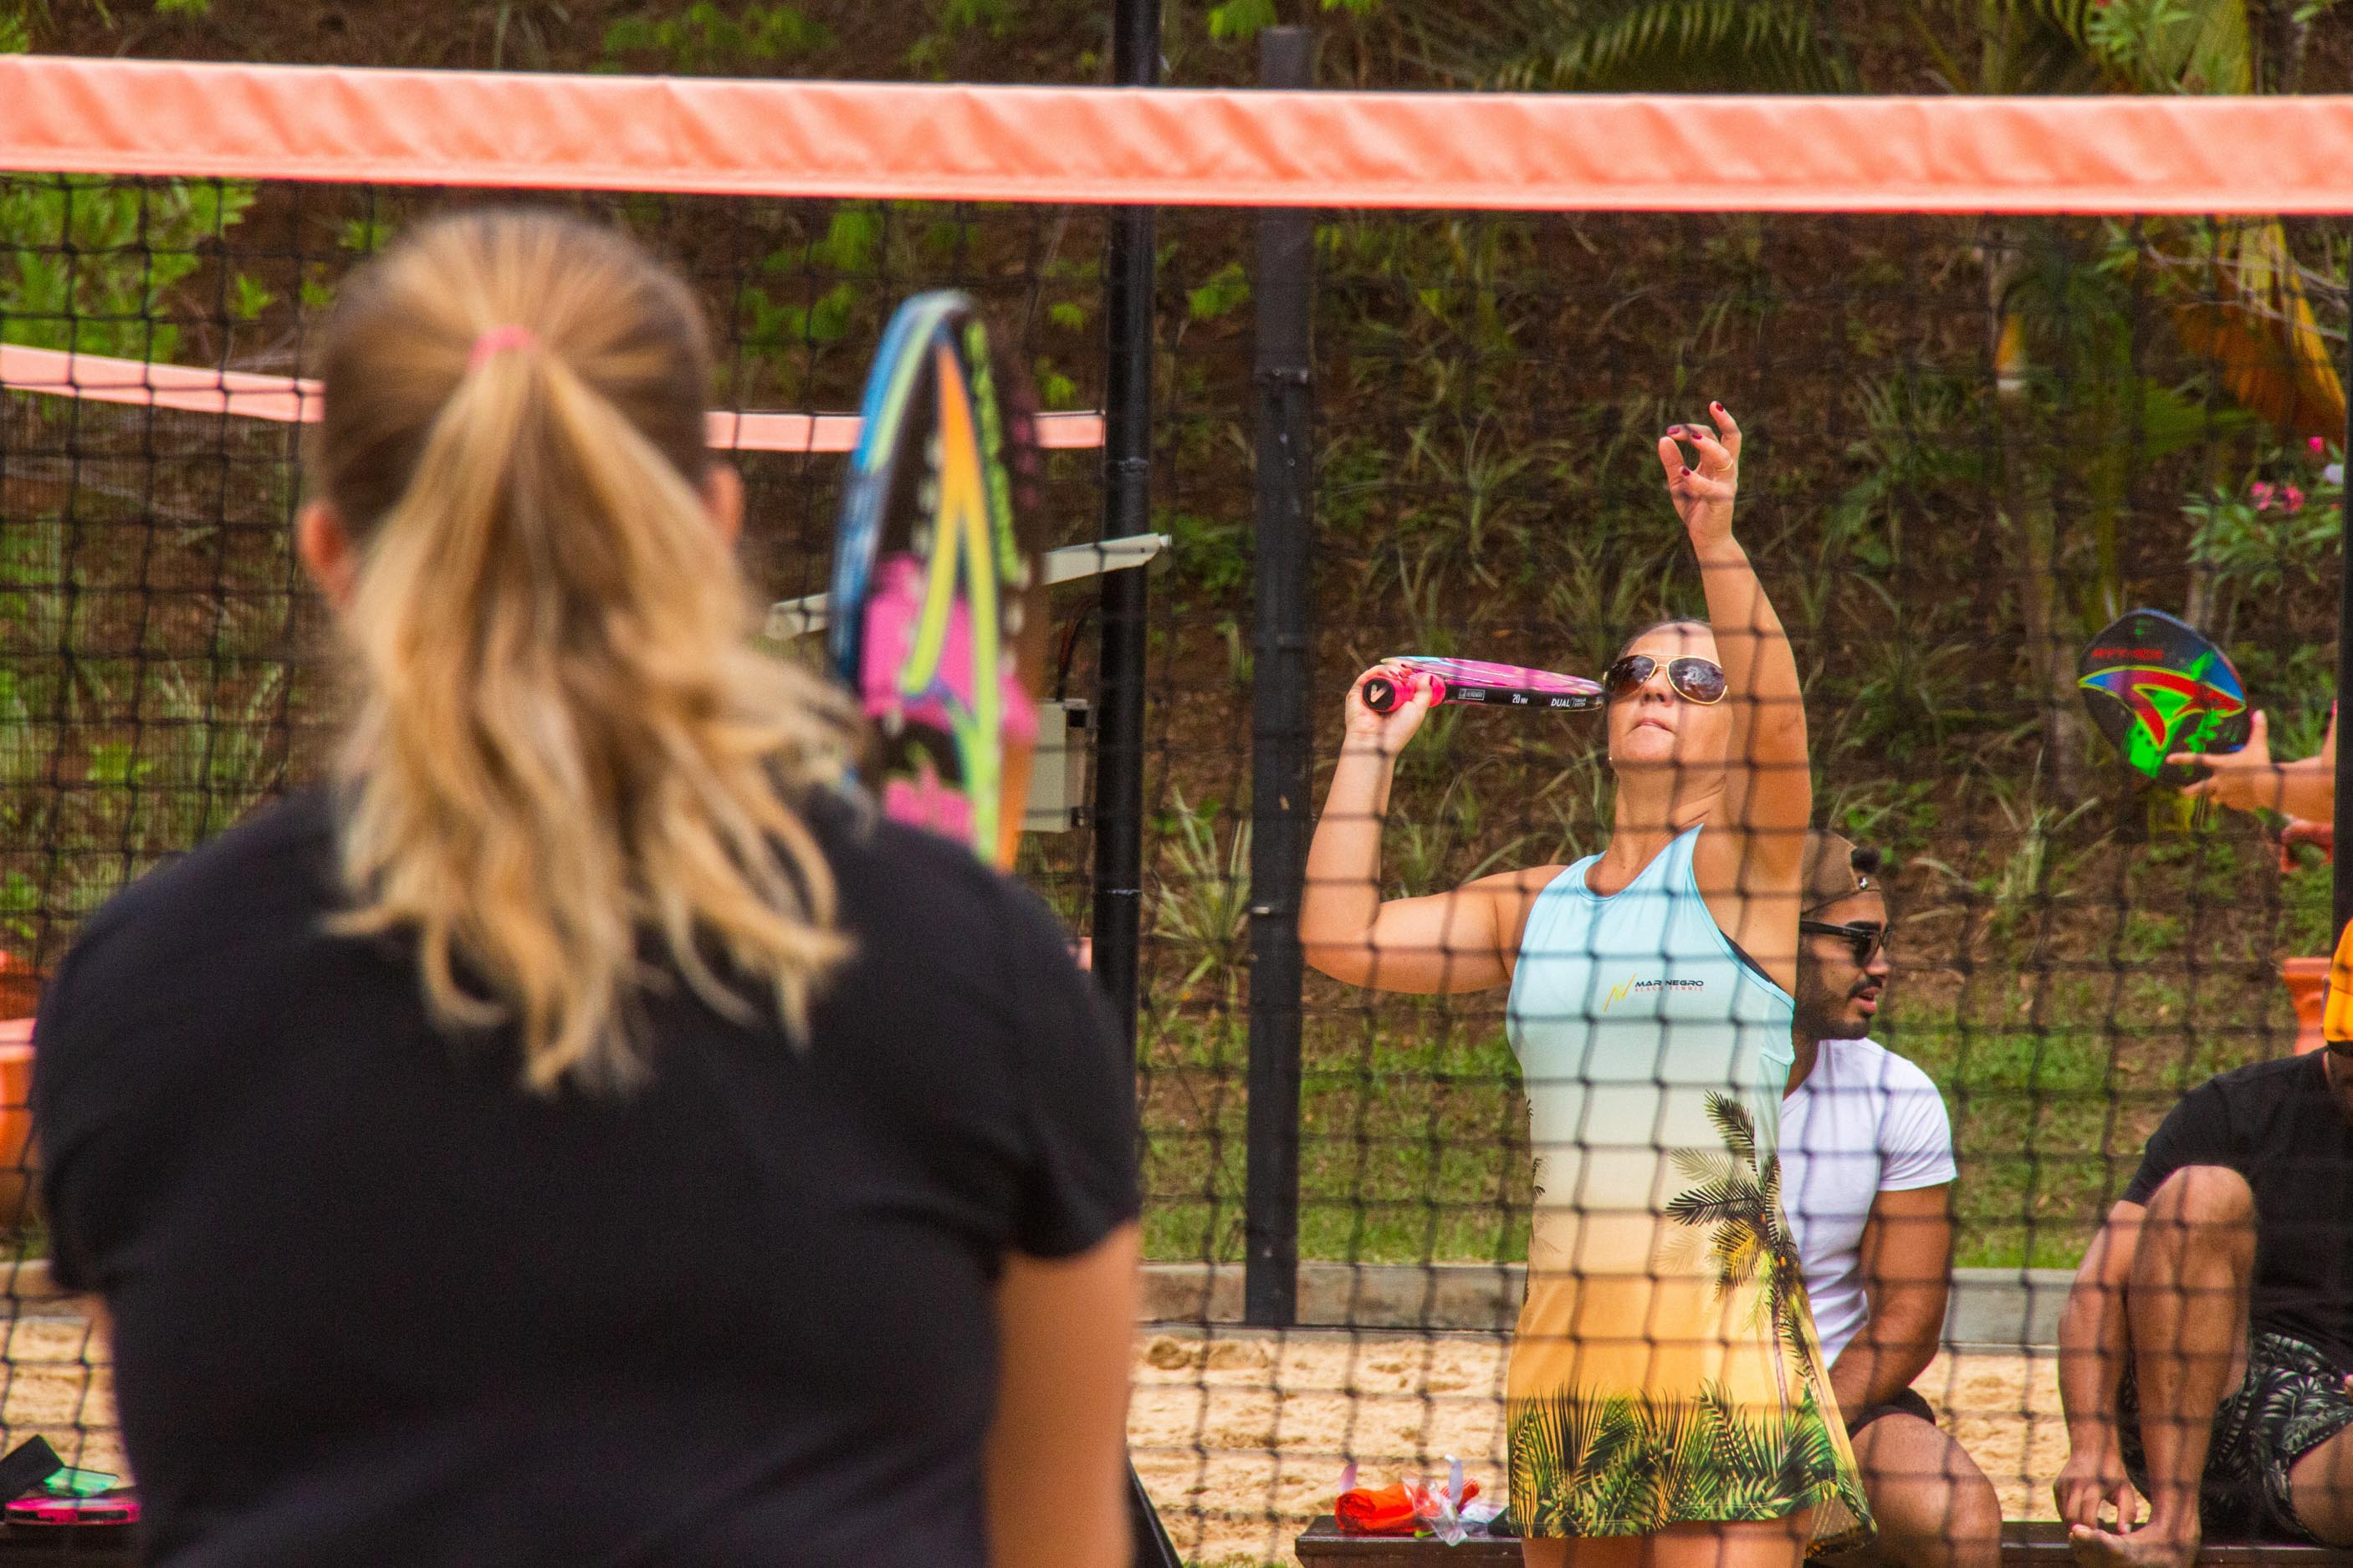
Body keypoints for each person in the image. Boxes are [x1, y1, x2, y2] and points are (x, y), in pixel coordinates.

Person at [28, 211, 1139, 1568]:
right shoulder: (973, 974)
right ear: (712, 522)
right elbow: (1056, 1540)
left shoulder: (143, 991)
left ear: (329, 554)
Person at [1299, 406, 1870, 1568]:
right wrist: (1367, 750)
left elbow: (1781, 724)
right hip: (1567, 1353)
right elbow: (1337, 935)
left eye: (1694, 678)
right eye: (1634, 673)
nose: (1657, 687)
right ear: (1604, 708)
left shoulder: (1746, 869)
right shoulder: (1533, 904)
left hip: (1722, 1353)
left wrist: (1714, 538)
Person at [1783, 831, 2000, 1568]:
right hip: (1669, 1405)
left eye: (1883, 942)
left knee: (1955, 1513)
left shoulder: (1894, 1091)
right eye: (1857, 941)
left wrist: (1803, 1430)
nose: (1881, 965)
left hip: (1834, 1408)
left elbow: (1909, 1317)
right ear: (1773, 937)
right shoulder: (1656, 1080)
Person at [2054, 1039, 2353, 1568]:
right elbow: (2099, 1285)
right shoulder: (2237, 1108)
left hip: (2332, 1448)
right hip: (2206, 1399)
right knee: (2201, 1191)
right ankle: (2172, 1527)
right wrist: (2091, 1440)